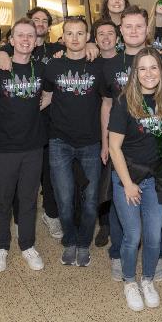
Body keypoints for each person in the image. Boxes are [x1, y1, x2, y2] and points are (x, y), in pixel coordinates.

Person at [101, 5, 162, 282]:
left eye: (139, 26)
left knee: (155, 221)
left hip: (155, 165)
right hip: (126, 158)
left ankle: (155, 259)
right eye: (128, 26)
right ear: (120, 30)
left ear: (147, 30)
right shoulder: (109, 63)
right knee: (123, 217)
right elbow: (106, 105)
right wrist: (105, 143)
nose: (134, 30)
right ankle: (120, 258)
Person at [108, 47, 162, 312]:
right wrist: (128, 184)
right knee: (133, 235)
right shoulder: (124, 102)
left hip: (156, 178)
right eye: (142, 68)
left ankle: (147, 280)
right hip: (129, 178)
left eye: (153, 67)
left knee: (154, 236)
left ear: (161, 71)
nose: (148, 73)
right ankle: (129, 281)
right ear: (135, 73)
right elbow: (114, 148)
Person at [0, 7, 68, 240]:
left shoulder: (54, 52)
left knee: (44, 178)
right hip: (12, 134)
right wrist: (1, 54)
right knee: (11, 188)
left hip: (45, 127)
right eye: (35, 20)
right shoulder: (8, 54)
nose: (39, 23)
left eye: (44, 21)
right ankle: (16, 226)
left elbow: (52, 88)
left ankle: (47, 218)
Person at [41, 16, 105, 267]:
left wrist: (107, 141)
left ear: (88, 36)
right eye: (70, 33)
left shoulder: (97, 65)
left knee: (90, 201)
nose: (75, 38)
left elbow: (107, 103)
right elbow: (46, 97)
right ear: (62, 37)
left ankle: (84, 243)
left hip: (91, 142)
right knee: (64, 200)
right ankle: (69, 241)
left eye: (80, 33)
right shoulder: (53, 66)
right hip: (60, 141)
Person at [0, 18, 48, 273]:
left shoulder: (41, 69)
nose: (25, 39)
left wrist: (33, 110)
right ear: (11, 40)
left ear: (35, 41)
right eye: (20, 35)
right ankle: (1, 247)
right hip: (3, 147)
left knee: (28, 199)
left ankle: (27, 245)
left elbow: (49, 94)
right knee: (2, 199)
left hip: (33, 146)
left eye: (30, 36)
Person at [92, 19, 120, 247]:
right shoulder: (90, 61)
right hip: (95, 129)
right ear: (95, 39)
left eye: (110, 33)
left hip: (121, 130)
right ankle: (105, 225)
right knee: (102, 182)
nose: (106, 37)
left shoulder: (126, 62)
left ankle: (121, 224)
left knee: (119, 180)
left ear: (117, 38)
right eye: (101, 34)